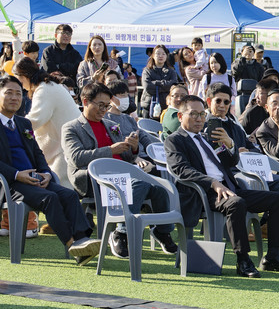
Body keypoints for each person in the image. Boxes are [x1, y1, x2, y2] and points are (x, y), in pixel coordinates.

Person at [165, 94, 279, 276]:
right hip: (203, 193)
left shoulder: (207, 137)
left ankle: (273, 257)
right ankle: (243, 260)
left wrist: (230, 145)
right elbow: (181, 169)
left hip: (229, 187)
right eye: (193, 114)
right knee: (236, 203)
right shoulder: (174, 140)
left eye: (202, 114)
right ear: (181, 116)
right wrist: (212, 183)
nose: (199, 119)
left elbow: (231, 163)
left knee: (276, 200)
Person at [61, 82, 178, 258]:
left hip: (122, 174)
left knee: (158, 189)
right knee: (138, 185)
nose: (104, 110)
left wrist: (133, 147)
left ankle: (162, 231)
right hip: (92, 178)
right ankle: (120, 232)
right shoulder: (71, 127)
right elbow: (76, 158)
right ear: (85, 101)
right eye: (100, 105)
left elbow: (127, 157)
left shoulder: (110, 125)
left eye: (106, 106)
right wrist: (110, 150)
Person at [0, 76, 102, 265]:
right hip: (10, 183)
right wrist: (17, 175)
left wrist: (46, 172)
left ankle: (82, 240)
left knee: (70, 195)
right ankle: (73, 245)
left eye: (18, 94)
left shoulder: (23, 123)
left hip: (35, 179)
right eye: (9, 93)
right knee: (50, 198)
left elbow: (37, 152)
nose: (14, 98)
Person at [204, 83, 279, 195]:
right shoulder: (205, 128)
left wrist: (247, 151)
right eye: (218, 101)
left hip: (250, 169)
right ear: (209, 102)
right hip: (231, 174)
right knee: (255, 185)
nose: (222, 105)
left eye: (226, 102)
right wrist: (234, 150)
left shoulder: (236, 127)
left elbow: (256, 149)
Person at [12, 57, 82, 189]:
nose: (19, 84)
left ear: (25, 76)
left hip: (64, 144)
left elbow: (35, 120)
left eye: (18, 79)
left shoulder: (44, 89)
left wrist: (11, 124)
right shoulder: (48, 85)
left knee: (62, 188)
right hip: (68, 139)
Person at [104, 79, 158, 174]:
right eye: (122, 95)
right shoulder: (107, 119)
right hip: (131, 159)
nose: (126, 98)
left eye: (126, 95)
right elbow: (117, 140)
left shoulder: (128, 118)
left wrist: (153, 151)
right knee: (155, 171)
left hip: (144, 155)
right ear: (112, 98)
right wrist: (135, 158)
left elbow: (142, 136)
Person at [140, 44, 178, 119]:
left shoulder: (171, 71)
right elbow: (148, 87)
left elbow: (173, 85)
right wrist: (165, 86)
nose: (161, 56)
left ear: (166, 56)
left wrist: (156, 83)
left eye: (163, 54)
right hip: (149, 105)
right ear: (153, 55)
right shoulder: (147, 71)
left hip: (166, 106)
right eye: (158, 53)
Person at [40, 24, 83, 88]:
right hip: (52, 86)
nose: (66, 36)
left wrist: (59, 66)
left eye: (69, 34)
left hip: (70, 88)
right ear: (56, 35)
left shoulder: (75, 54)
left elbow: (77, 70)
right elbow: (49, 70)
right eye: (63, 33)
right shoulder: (48, 51)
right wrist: (68, 68)